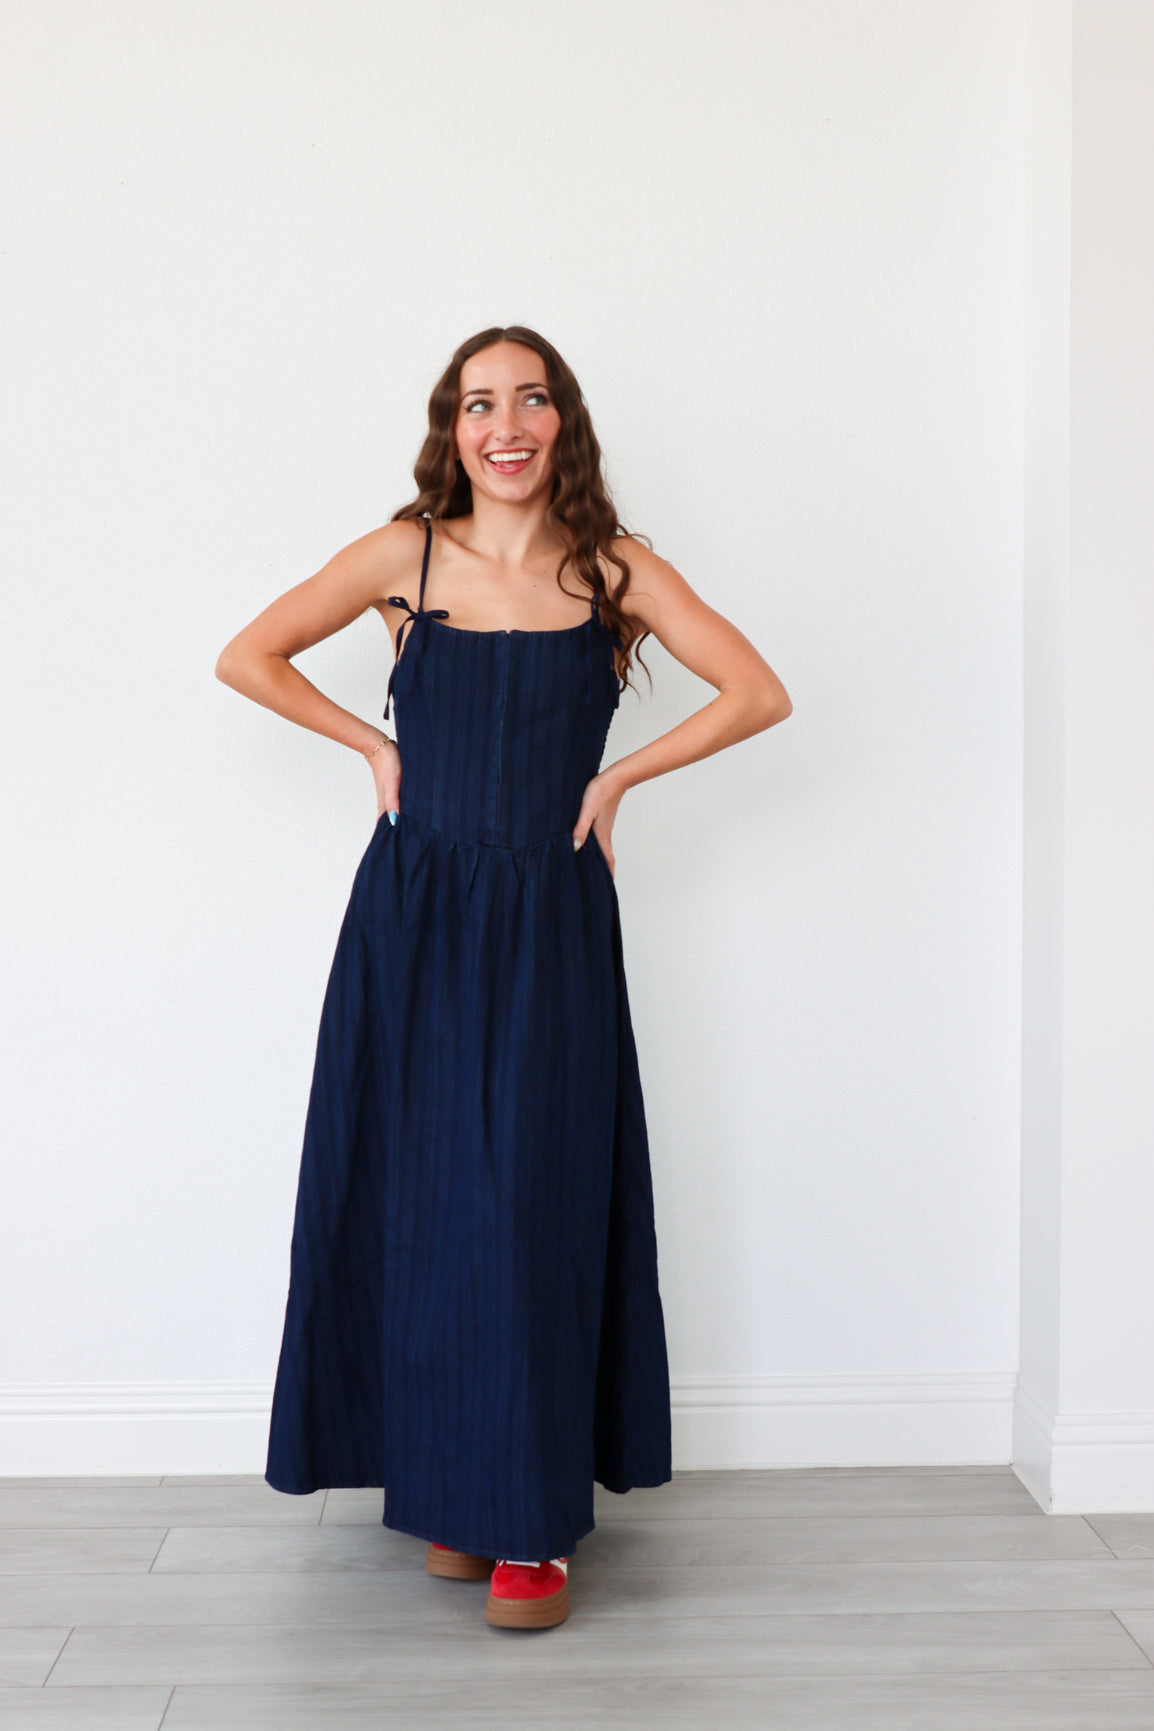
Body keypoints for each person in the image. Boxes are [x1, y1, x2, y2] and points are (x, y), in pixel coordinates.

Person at [215, 325, 792, 1631]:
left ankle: (527, 1521)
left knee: (526, 1199)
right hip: (411, 911)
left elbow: (755, 692)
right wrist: (371, 748)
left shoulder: (614, 569)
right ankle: (447, 1491)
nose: (504, 423)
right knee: (417, 1196)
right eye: (479, 403)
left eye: (529, 398)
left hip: (548, 914)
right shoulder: (402, 555)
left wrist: (618, 776)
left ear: (561, 420)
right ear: (451, 427)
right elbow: (246, 655)